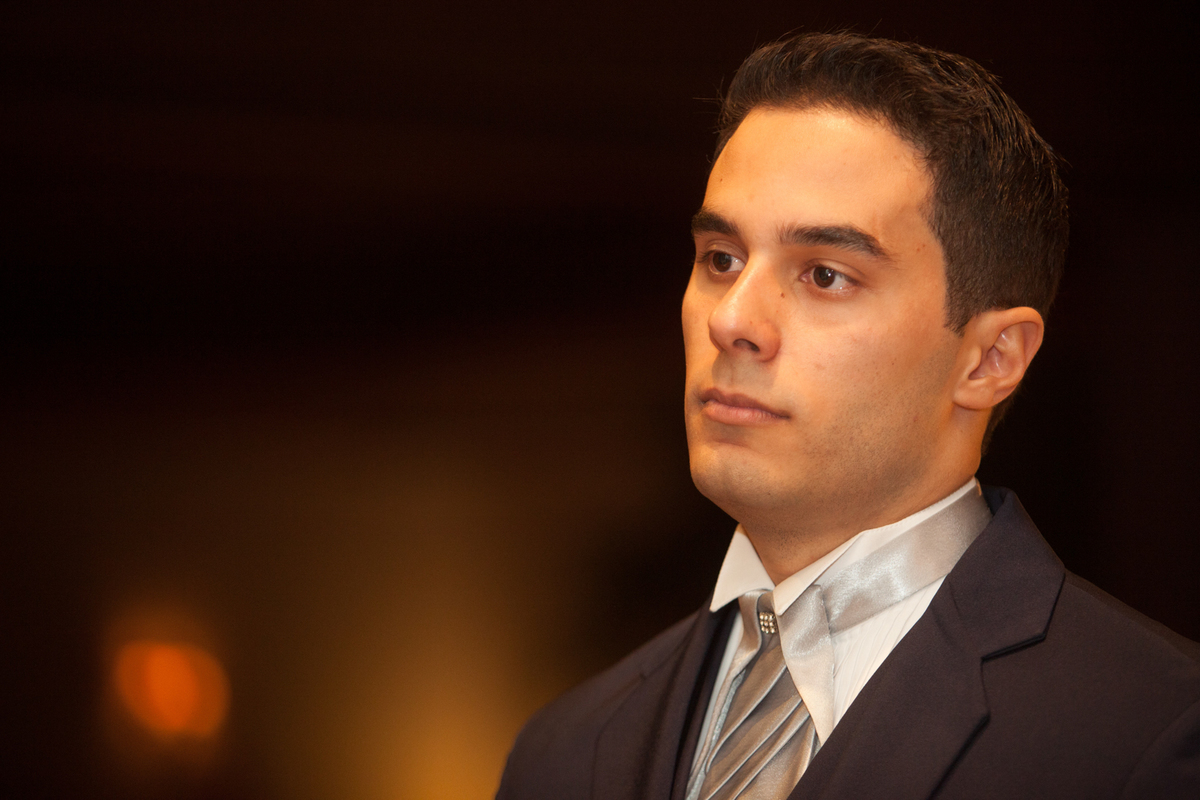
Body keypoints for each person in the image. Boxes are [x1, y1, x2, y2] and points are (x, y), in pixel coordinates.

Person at [496, 32, 1200, 800]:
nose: (732, 320)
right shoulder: (562, 754)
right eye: (721, 258)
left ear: (989, 359)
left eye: (826, 275)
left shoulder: (1149, 737)